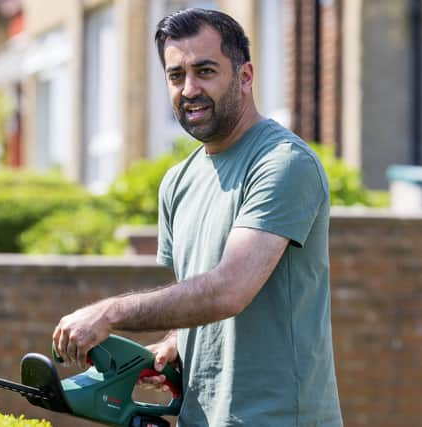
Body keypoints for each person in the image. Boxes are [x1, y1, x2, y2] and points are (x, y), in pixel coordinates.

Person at [53, 8, 343, 426]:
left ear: (245, 76)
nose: (189, 89)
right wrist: (173, 343)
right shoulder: (178, 181)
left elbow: (228, 290)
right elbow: (199, 299)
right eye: (176, 76)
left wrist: (110, 313)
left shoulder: (282, 163)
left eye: (205, 71)